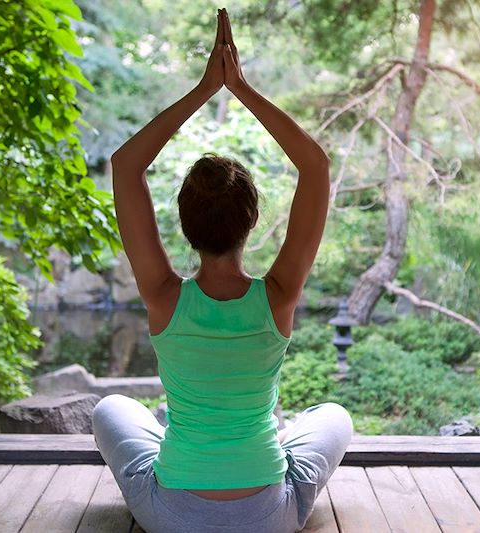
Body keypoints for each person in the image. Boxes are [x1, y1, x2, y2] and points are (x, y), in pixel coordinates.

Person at [92, 8, 353, 533]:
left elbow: (125, 166)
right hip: (268, 516)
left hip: (172, 516)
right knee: (335, 417)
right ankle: (253, 443)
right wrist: (241, 88)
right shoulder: (277, 298)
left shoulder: (164, 297)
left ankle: (204, 443)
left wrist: (205, 87)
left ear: (184, 225)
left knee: (111, 408)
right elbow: (316, 168)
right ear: (253, 221)